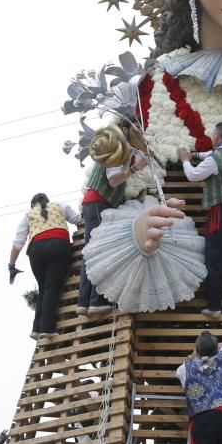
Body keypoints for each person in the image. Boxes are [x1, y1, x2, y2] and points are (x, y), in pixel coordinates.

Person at [178, 121, 222, 319]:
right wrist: (195, 155)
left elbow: (193, 175)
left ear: (217, 137)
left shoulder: (216, 157)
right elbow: (214, 157)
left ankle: (216, 307)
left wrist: (185, 160)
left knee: (215, 258)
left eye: (212, 135)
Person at [78, 123, 147, 316]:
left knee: (91, 250)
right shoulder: (118, 148)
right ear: (125, 130)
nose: (138, 134)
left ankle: (85, 301)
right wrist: (135, 168)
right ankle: (96, 301)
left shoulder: (115, 147)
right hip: (99, 202)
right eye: (135, 131)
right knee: (99, 252)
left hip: (95, 202)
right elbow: (114, 180)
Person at [9, 193, 83, 341]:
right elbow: (78, 220)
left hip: (36, 251)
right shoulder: (60, 206)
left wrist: (12, 265)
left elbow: (18, 243)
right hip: (58, 245)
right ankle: (47, 329)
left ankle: (36, 329)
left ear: (33, 205)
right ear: (47, 201)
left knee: (43, 288)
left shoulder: (28, 215)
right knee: (51, 288)